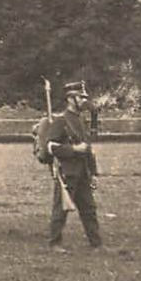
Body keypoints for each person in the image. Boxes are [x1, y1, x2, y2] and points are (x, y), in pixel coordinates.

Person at [44, 79, 102, 248]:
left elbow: (88, 149)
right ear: (71, 99)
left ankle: (96, 243)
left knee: (89, 209)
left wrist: (94, 173)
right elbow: (51, 147)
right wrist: (74, 149)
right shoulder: (61, 120)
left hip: (83, 172)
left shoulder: (80, 120)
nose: (84, 101)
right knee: (60, 210)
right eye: (80, 97)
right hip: (67, 172)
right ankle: (54, 243)